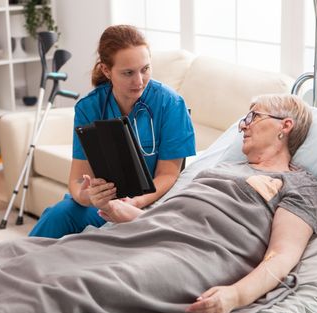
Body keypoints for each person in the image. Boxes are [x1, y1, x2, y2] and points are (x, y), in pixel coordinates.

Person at [0, 94, 317, 313]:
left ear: (284, 126)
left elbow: (283, 253)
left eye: (253, 116)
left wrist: (236, 295)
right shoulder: (218, 169)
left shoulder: (298, 184)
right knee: (34, 255)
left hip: (199, 255)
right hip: (152, 233)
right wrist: (130, 214)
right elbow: (174, 214)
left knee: (88, 282)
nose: (244, 125)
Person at [29, 25, 196, 238]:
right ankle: (15, 268)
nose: (139, 81)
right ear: (107, 71)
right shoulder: (89, 108)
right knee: (58, 215)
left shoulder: (170, 104)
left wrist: (134, 202)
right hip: (104, 205)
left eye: (145, 69)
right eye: (128, 73)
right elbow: (78, 180)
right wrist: (89, 196)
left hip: (151, 203)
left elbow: (169, 174)